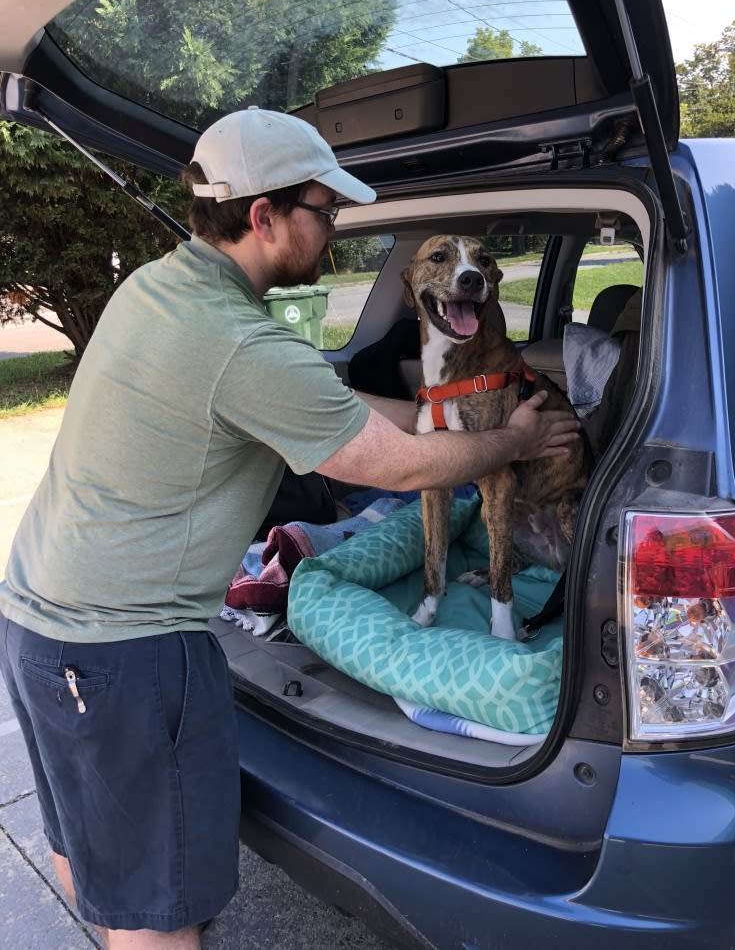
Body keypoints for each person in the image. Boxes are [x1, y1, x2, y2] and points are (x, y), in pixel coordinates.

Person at [0, 108, 579, 950]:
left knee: (98, 862)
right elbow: (402, 465)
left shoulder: (164, 289)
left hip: (41, 623)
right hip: (125, 652)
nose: (336, 226)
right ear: (265, 217)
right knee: (158, 917)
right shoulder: (240, 343)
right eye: (325, 209)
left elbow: (345, 411)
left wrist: (452, 412)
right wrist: (517, 438)